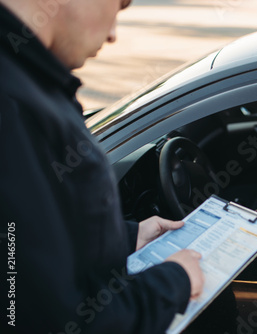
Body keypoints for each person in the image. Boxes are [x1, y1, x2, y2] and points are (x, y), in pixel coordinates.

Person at [0, 1, 203, 333]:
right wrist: (173, 282)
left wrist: (128, 237)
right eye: (120, 4)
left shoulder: (27, 81)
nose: (112, 34)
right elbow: (53, 318)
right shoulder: (13, 104)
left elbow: (42, 238)